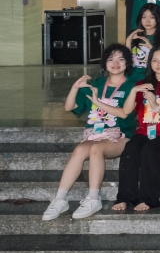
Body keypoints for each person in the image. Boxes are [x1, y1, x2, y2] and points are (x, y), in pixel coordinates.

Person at [43, 45, 137, 221]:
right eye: (111, 59)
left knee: (96, 149)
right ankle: (59, 199)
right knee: (79, 150)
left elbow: (125, 113)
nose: (115, 63)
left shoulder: (132, 86)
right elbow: (69, 107)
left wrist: (99, 103)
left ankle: (93, 198)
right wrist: (75, 87)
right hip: (95, 134)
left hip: (120, 135)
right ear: (104, 63)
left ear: (127, 63)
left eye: (121, 59)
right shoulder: (95, 84)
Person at [112, 45, 160, 212]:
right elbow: (127, 111)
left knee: (149, 150)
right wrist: (134, 90)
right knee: (131, 148)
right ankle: (125, 197)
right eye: (155, 60)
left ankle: (149, 199)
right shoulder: (143, 84)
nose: (159, 64)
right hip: (144, 131)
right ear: (149, 63)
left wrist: (157, 106)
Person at [126, 3, 160, 73]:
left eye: (152, 17)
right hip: (133, 74)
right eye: (144, 17)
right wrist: (128, 40)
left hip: (153, 74)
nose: (147, 21)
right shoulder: (135, 36)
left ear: (158, 19)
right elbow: (126, 59)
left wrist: (151, 48)